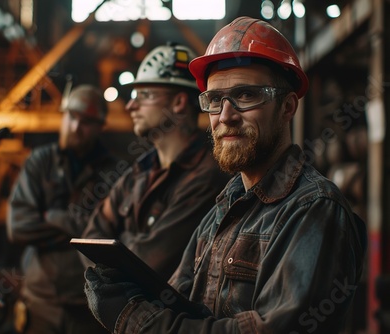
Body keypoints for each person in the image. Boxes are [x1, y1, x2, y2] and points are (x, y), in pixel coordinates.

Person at [83, 17, 367, 333]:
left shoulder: (314, 210)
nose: (226, 116)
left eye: (246, 95)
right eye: (216, 100)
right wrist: (130, 288)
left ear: (287, 107)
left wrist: (134, 319)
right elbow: (179, 303)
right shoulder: (224, 209)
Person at [80, 42, 231, 282]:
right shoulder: (139, 171)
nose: (131, 106)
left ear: (179, 103)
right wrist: (122, 251)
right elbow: (89, 240)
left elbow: (146, 266)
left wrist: (118, 244)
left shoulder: (206, 178)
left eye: (145, 95)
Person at [7, 84, 118, 334]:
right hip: (40, 303)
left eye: (87, 121)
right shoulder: (40, 161)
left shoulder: (113, 172)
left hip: (89, 308)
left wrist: (54, 217)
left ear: (101, 126)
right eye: (71, 116)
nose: (75, 127)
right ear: (63, 115)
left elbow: (109, 239)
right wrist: (79, 231)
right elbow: (18, 228)